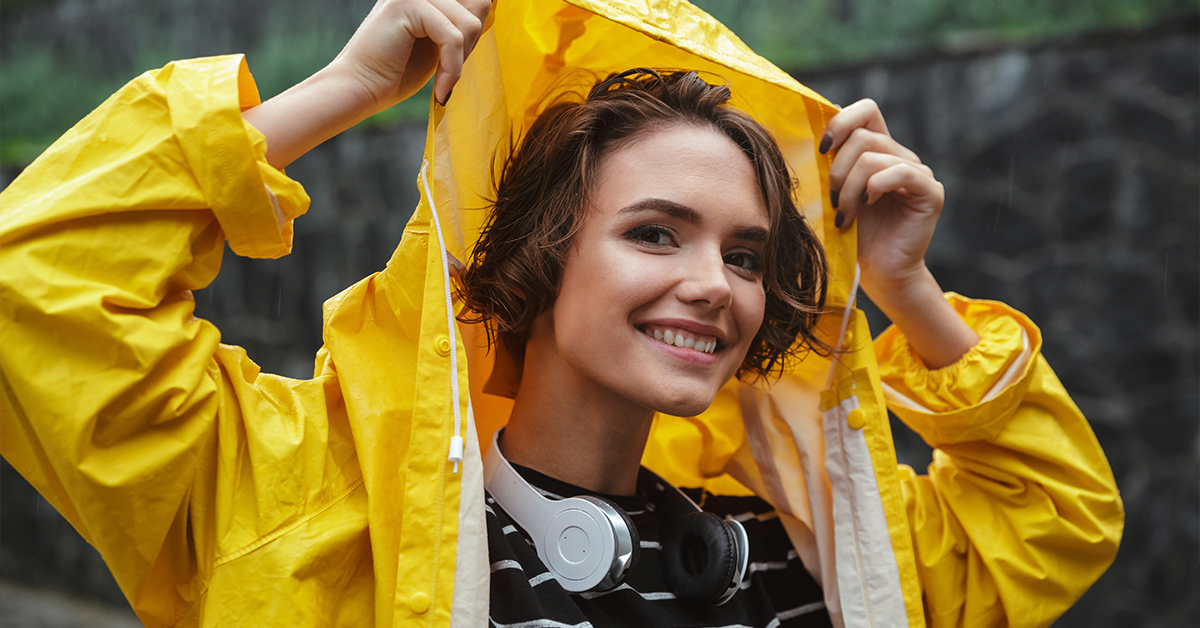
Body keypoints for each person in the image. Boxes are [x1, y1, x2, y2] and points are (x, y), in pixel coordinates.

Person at [0, 1, 1123, 627]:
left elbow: (1050, 522)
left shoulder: (803, 551)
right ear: (539, 256)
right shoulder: (303, 511)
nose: (716, 283)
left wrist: (903, 288)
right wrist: (347, 88)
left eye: (746, 254)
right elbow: (34, 287)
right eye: (656, 232)